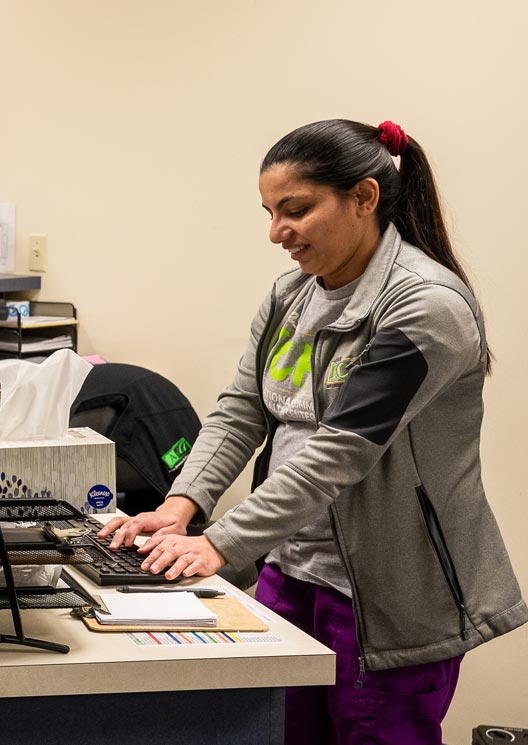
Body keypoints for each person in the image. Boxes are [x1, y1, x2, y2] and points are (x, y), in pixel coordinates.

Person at [98, 119, 525, 743]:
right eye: (270, 213)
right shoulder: (290, 294)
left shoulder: (426, 306)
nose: (277, 233)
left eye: (295, 210)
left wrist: (221, 542)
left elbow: (340, 450)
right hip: (291, 565)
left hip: (386, 595)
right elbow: (241, 407)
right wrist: (181, 505)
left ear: (364, 198)